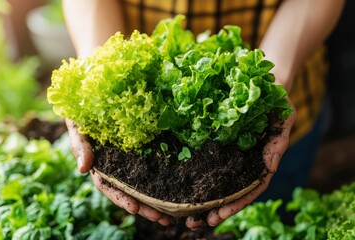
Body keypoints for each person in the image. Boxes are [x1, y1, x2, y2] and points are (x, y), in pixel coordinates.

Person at [61, 0, 344, 230]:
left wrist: (274, 81)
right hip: (142, 58)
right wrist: (99, 76)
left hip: (289, 70)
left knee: (267, 222)